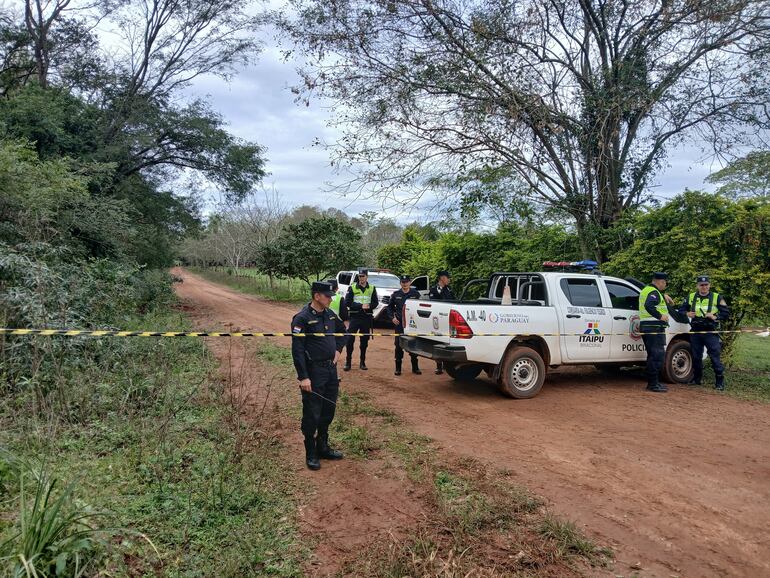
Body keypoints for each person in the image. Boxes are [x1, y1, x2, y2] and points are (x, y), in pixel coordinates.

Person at [291, 281, 347, 470]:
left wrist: (338, 350)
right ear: (317, 296)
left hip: (330, 370)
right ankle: (311, 452)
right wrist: (303, 377)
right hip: (313, 372)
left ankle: (323, 446)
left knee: (328, 410)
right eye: (327, 296)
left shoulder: (330, 314)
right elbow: (297, 350)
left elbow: (343, 332)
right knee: (312, 412)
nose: (331, 299)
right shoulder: (302, 319)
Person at [677, 275, 729, 390]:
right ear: (697, 286)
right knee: (696, 356)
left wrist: (715, 317)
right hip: (696, 330)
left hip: (710, 331)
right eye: (701, 285)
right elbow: (681, 310)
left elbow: (726, 313)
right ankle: (697, 379)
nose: (704, 287)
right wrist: (687, 313)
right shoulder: (691, 296)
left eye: (706, 285)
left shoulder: (716, 297)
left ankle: (719, 382)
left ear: (709, 285)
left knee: (714, 356)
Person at [638, 272, 676, 393]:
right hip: (654, 327)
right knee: (657, 355)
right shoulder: (654, 292)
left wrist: (663, 295)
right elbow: (649, 305)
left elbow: (651, 300)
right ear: (660, 282)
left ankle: (653, 382)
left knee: (652, 355)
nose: (665, 285)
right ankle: (653, 384)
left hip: (647, 327)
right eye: (665, 283)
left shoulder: (647, 290)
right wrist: (660, 316)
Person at [344, 268, 379, 371]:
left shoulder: (372, 288)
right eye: (360, 276)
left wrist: (369, 306)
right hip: (355, 317)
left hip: (366, 318)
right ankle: (348, 362)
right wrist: (360, 306)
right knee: (350, 340)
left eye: (363, 276)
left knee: (364, 341)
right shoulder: (352, 287)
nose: (361, 278)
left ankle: (362, 362)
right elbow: (347, 302)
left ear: (367, 277)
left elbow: (375, 302)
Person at [387, 274, 422, 376]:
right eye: (403, 282)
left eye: (406, 282)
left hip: (412, 324)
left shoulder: (415, 294)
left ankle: (415, 367)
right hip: (400, 324)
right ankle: (398, 368)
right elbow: (389, 308)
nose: (405, 284)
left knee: (413, 344)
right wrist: (392, 318)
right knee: (398, 345)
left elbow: (420, 307)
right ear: (400, 283)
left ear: (410, 282)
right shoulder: (396, 294)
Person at [429, 270, 455, 374]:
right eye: (447, 278)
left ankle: (446, 364)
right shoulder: (433, 290)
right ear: (442, 278)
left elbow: (454, 301)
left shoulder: (449, 289)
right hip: (437, 319)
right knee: (438, 341)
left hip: (448, 318)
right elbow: (433, 303)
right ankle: (439, 366)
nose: (449, 280)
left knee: (447, 341)